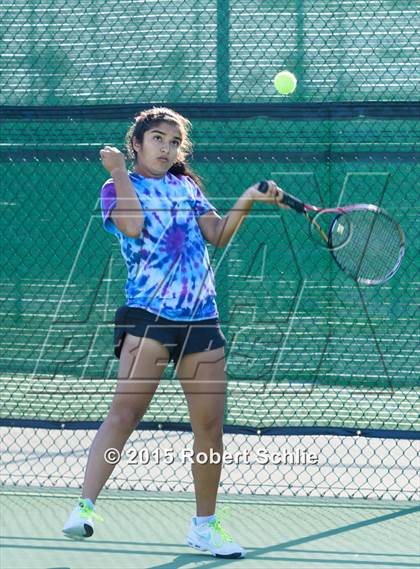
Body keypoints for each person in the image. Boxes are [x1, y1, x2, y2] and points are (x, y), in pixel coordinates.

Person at [63, 107, 286, 558]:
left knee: (209, 426)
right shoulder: (115, 187)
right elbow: (132, 225)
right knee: (124, 415)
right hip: (148, 317)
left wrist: (248, 197)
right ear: (138, 144)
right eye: (157, 139)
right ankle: (84, 509)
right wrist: (120, 171)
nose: (166, 148)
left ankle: (205, 527)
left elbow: (218, 234)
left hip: (201, 319)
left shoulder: (187, 188)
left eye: (173, 142)